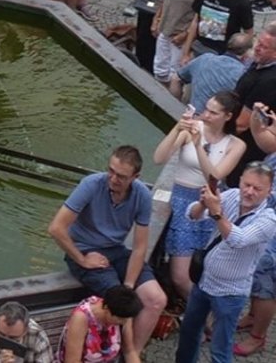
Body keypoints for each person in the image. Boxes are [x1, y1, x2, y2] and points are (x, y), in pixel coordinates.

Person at [46, 146, 167, 348]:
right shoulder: (91, 184)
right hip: (85, 249)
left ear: (135, 177)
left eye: (121, 176)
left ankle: (133, 353)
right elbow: (56, 228)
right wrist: (82, 259)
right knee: (120, 303)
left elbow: (140, 247)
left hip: (116, 250)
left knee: (156, 300)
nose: (112, 179)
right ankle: (125, 353)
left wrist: (129, 284)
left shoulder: (142, 195)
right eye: (110, 171)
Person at [174, 162, 276, 363]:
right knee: (189, 334)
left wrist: (217, 213)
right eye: (247, 185)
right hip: (204, 282)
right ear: (240, 181)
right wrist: (204, 203)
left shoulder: (269, 220)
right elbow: (191, 215)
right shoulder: (231, 196)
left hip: (231, 291)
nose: (249, 192)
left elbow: (238, 240)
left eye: (257, 189)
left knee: (220, 348)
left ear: (269, 192)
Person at [153, 91, 244, 299]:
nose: (205, 115)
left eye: (213, 112)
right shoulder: (192, 129)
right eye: (206, 109)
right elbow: (159, 158)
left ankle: (204, 313)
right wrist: (178, 128)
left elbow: (215, 176)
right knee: (180, 275)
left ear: (227, 116)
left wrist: (198, 146)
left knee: (205, 266)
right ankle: (204, 315)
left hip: (209, 201)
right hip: (182, 201)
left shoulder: (236, 144)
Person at [58, 286, 143, 363]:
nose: (124, 322)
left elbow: (129, 351)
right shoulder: (81, 318)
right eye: (120, 319)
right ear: (106, 308)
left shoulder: (124, 315)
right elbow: (72, 361)